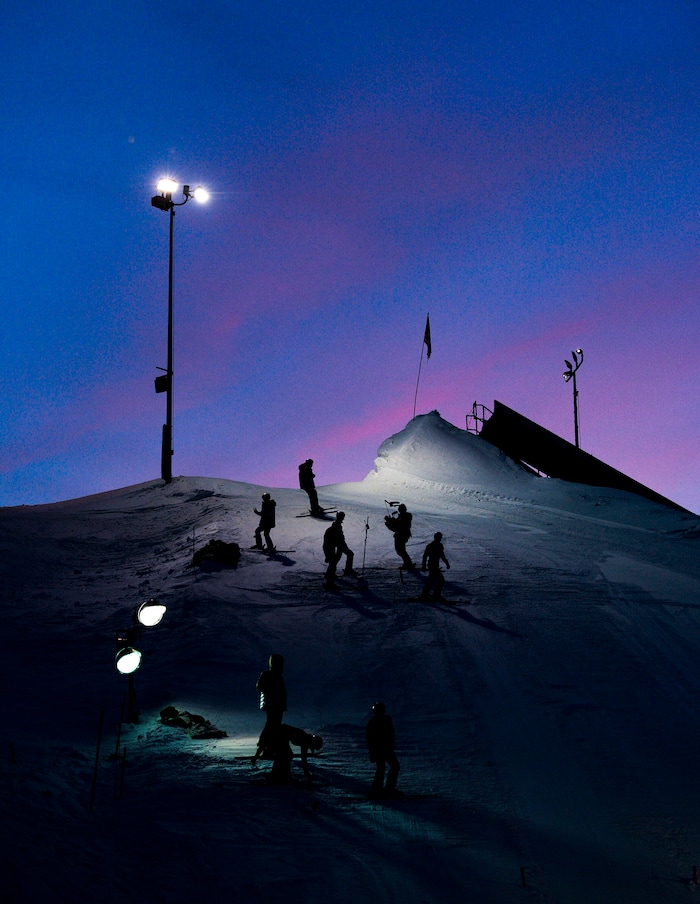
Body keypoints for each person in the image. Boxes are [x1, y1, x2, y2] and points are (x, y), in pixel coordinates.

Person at [254, 653, 287, 760]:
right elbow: (260, 686)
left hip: (276, 705)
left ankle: (269, 748)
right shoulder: (270, 675)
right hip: (273, 705)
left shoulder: (276, 676)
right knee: (271, 726)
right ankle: (265, 747)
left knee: (274, 726)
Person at [365, 701, 400, 797]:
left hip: (384, 749)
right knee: (384, 768)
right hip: (381, 749)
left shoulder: (383, 720)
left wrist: (372, 752)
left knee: (388, 767)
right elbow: (370, 739)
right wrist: (372, 752)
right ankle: (382, 788)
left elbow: (390, 734)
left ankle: (384, 788)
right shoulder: (376, 721)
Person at [323, 511, 357, 588]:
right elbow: (338, 540)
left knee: (335, 561)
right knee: (333, 563)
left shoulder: (337, 526)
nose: (342, 519)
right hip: (331, 546)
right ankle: (329, 583)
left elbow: (340, 540)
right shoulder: (336, 528)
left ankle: (330, 576)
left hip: (335, 545)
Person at [420, 531, 450, 601]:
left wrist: (447, 563)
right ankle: (435, 595)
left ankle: (425, 595)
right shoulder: (431, 545)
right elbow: (425, 556)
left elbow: (442, 555)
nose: (439, 539)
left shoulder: (439, 545)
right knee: (440, 580)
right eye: (438, 537)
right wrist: (423, 566)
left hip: (434, 565)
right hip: (432, 565)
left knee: (431, 580)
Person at [384, 503, 415, 569]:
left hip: (402, 535)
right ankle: (408, 563)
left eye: (401, 509)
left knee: (401, 550)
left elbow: (398, 525)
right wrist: (389, 521)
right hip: (401, 535)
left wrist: (390, 521)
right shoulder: (402, 517)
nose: (400, 511)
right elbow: (395, 525)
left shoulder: (405, 517)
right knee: (400, 550)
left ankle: (408, 564)